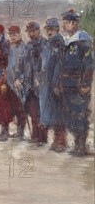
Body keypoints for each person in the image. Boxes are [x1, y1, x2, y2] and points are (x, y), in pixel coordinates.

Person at [59, 9, 93, 156]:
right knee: (70, 115)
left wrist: (85, 84)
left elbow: (89, 64)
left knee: (80, 114)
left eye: (66, 23)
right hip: (67, 84)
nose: (64, 25)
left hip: (79, 85)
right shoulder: (67, 41)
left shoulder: (84, 40)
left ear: (74, 23)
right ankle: (77, 143)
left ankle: (81, 145)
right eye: (64, 22)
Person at [15, 21, 47, 144]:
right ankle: (35, 135)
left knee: (42, 113)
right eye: (29, 31)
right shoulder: (27, 47)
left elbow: (47, 65)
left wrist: (41, 78)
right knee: (33, 111)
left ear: (38, 31)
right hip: (29, 85)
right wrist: (18, 78)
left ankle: (42, 138)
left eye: (33, 31)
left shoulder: (45, 45)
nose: (31, 33)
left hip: (42, 86)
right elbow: (20, 65)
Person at [40, 18, 66, 152]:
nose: (49, 31)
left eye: (51, 29)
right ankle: (56, 140)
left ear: (57, 29)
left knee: (58, 112)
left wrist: (57, 83)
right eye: (48, 29)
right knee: (50, 112)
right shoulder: (48, 43)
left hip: (55, 83)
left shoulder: (59, 43)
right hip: (47, 83)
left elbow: (60, 65)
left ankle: (61, 141)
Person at [7, 25, 28, 139]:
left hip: (20, 83)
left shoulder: (24, 47)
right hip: (10, 82)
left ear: (19, 34)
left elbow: (26, 67)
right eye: (11, 34)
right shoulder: (11, 47)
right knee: (14, 107)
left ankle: (21, 132)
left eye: (15, 34)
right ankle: (17, 131)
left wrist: (21, 79)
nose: (13, 37)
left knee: (21, 108)